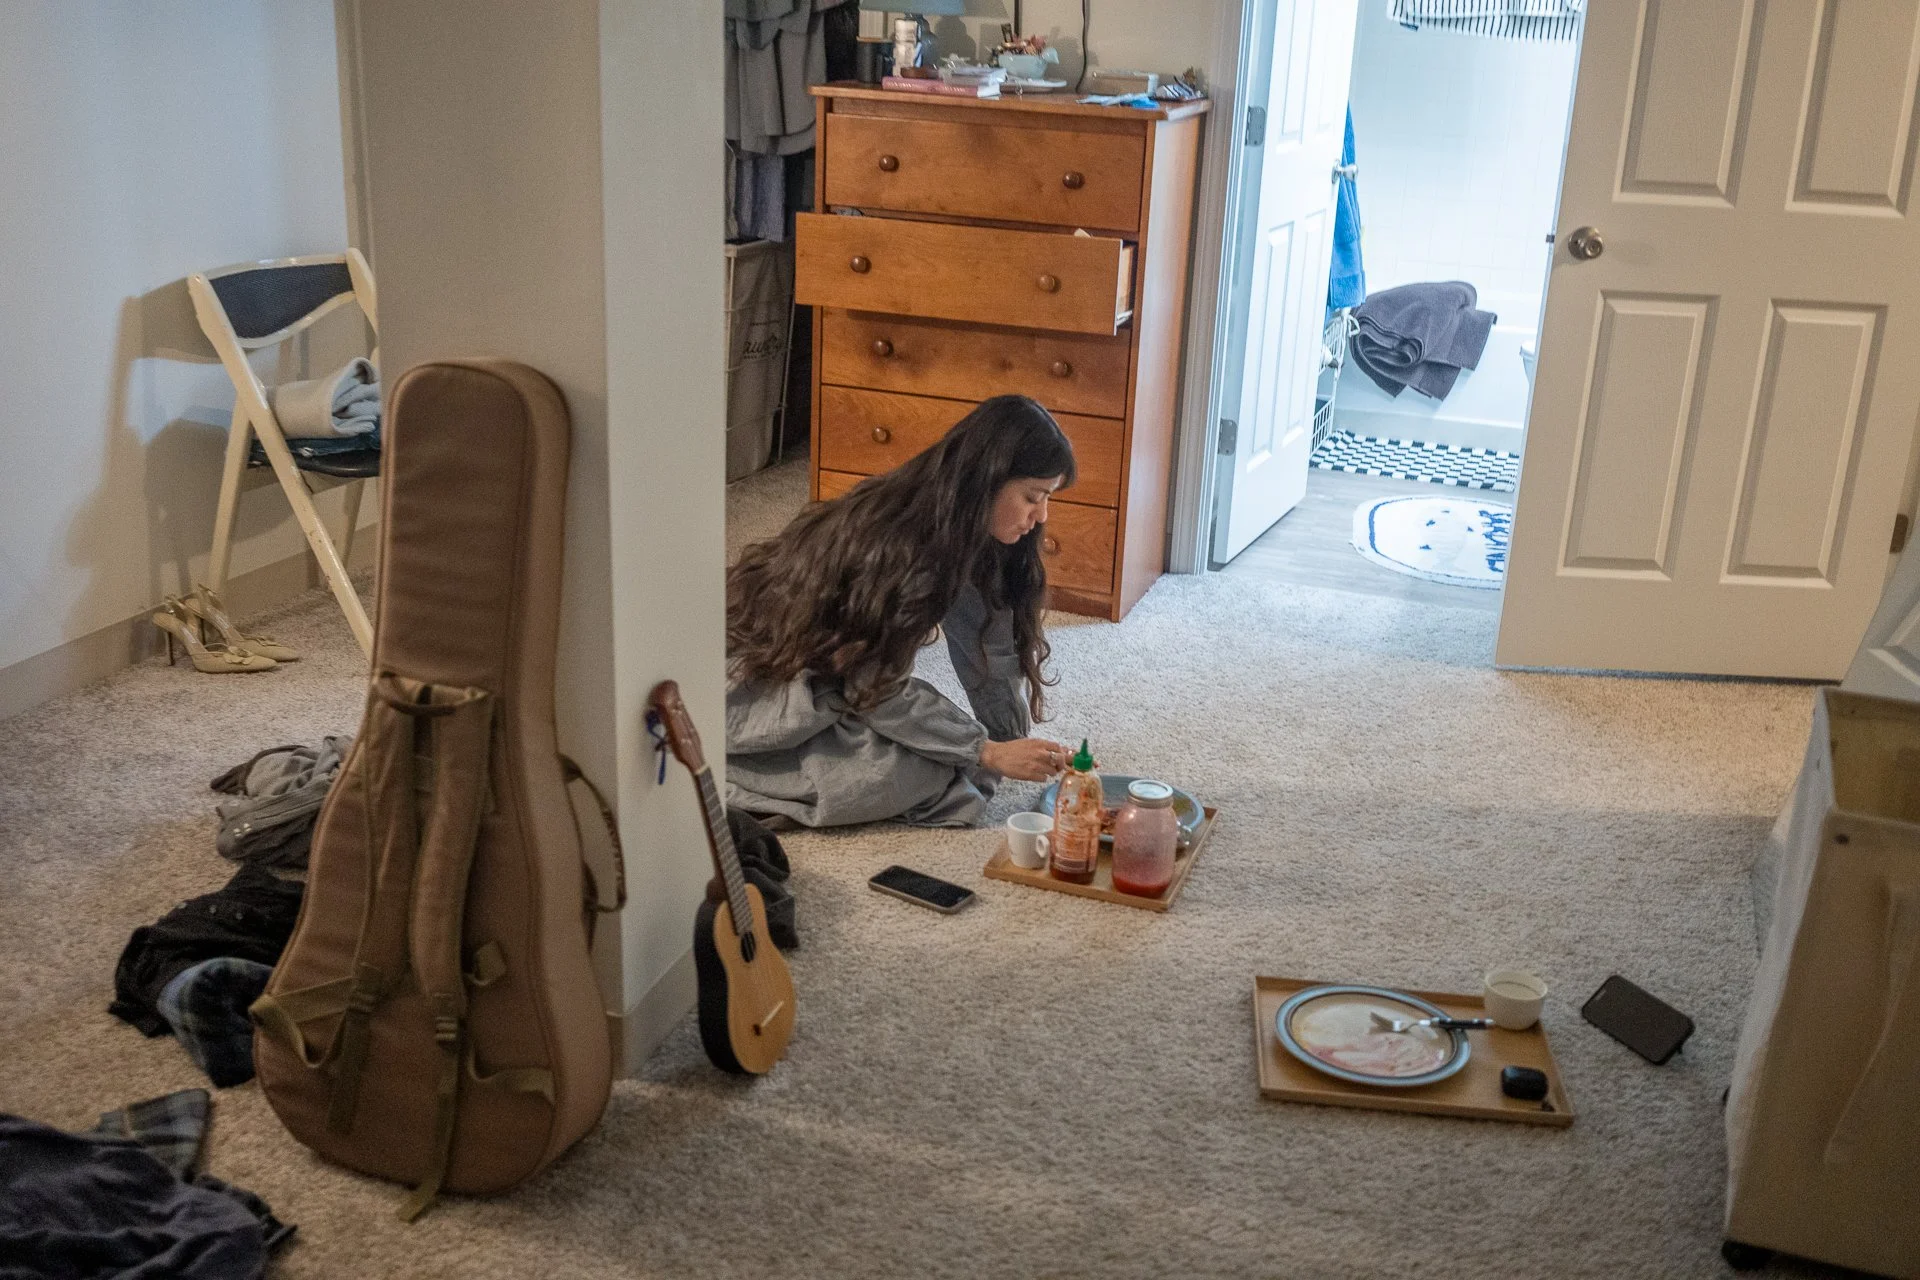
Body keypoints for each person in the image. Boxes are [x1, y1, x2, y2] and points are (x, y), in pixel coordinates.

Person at [726, 395, 1076, 827]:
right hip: (762, 680)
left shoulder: (967, 530)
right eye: (1033, 497)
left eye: (1048, 499)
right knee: (916, 773)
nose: (1040, 516)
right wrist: (986, 751)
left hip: (834, 680)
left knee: (951, 758)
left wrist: (1009, 739)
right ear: (988, 479)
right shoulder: (905, 547)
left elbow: (989, 643)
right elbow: (873, 687)